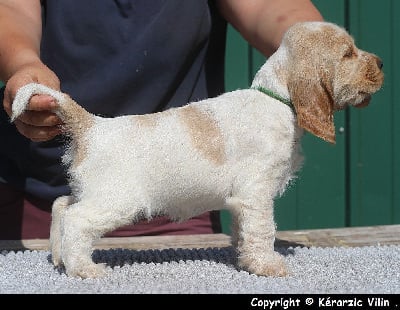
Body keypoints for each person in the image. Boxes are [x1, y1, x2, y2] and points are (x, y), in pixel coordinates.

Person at [0, 0, 323, 239]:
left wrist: (319, 47)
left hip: (178, 207)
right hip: (39, 197)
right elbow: (11, 9)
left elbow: (270, 6)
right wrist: (23, 63)